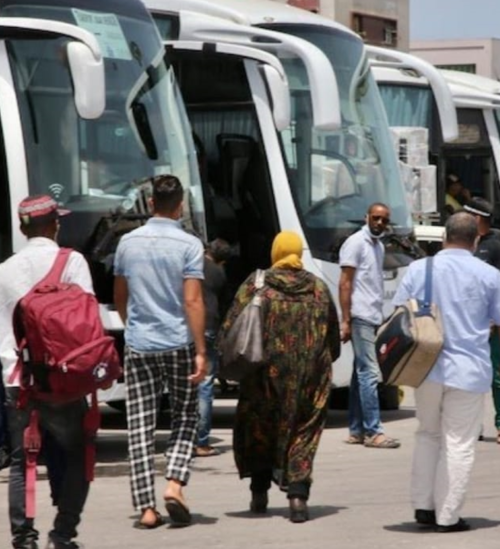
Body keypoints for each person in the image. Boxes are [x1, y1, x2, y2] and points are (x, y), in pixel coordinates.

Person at [0, 194, 92, 549]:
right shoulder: (73, 262)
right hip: (64, 381)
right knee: (75, 456)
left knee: (25, 462)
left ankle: (24, 537)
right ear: (55, 224)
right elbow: (85, 320)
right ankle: (63, 533)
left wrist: (12, 339)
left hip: (17, 383)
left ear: (23, 229)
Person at [394, 212, 500, 533]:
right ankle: (448, 515)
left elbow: (397, 313)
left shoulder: (418, 269)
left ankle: (423, 506)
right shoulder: (488, 274)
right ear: (476, 239)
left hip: (424, 368)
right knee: (459, 443)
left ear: (443, 237)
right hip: (468, 371)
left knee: (427, 434)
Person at [222, 232, 342, 524]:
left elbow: (231, 325)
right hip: (310, 378)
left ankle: (259, 492)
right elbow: (333, 338)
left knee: (261, 429)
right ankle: (298, 497)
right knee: (304, 432)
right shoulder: (318, 288)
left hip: (264, 377)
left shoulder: (258, 284)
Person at [113, 175, 209, 530]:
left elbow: (121, 296)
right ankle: (174, 484)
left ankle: (146, 509)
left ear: (151, 204)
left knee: (139, 427)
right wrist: (201, 350)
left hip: (139, 344)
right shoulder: (189, 244)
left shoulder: (127, 243)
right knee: (185, 417)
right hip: (178, 343)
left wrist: (132, 326)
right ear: (180, 206)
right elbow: (192, 300)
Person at [339, 203, 400, 449]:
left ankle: (356, 430)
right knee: (370, 373)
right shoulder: (355, 243)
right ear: (366, 218)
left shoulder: (378, 246)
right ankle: (374, 431)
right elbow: (345, 283)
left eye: (384, 220)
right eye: (375, 218)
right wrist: (345, 319)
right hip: (360, 316)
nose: (379, 223)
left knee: (360, 373)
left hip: (373, 315)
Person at [464, 199, 500, 445]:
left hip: (491, 322)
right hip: (468, 322)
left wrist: (496, 318)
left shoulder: (497, 243)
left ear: (478, 218)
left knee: (497, 375)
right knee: (470, 378)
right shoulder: (464, 243)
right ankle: (472, 424)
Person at [195, 238, 235, 458]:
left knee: (185, 384)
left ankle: (182, 439)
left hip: (187, 327)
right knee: (205, 385)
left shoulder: (192, 263)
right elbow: (226, 303)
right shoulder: (219, 274)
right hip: (209, 327)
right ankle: (201, 442)